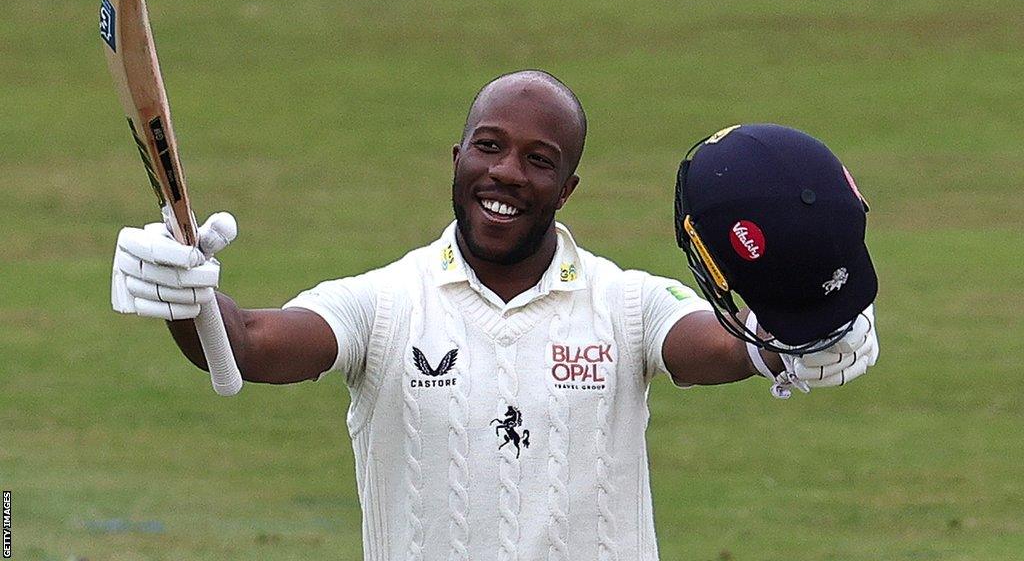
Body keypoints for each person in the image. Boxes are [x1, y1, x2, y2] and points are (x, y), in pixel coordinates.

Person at [111, 70, 878, 560]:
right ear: (456, 159)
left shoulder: (624, 302)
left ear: (568, 187)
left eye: (538, 159)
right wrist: (187, 290)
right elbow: (247, 344)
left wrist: (803, 337)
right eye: (488, 147)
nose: (505, 173)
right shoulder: (386, 302)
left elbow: (724, 346)